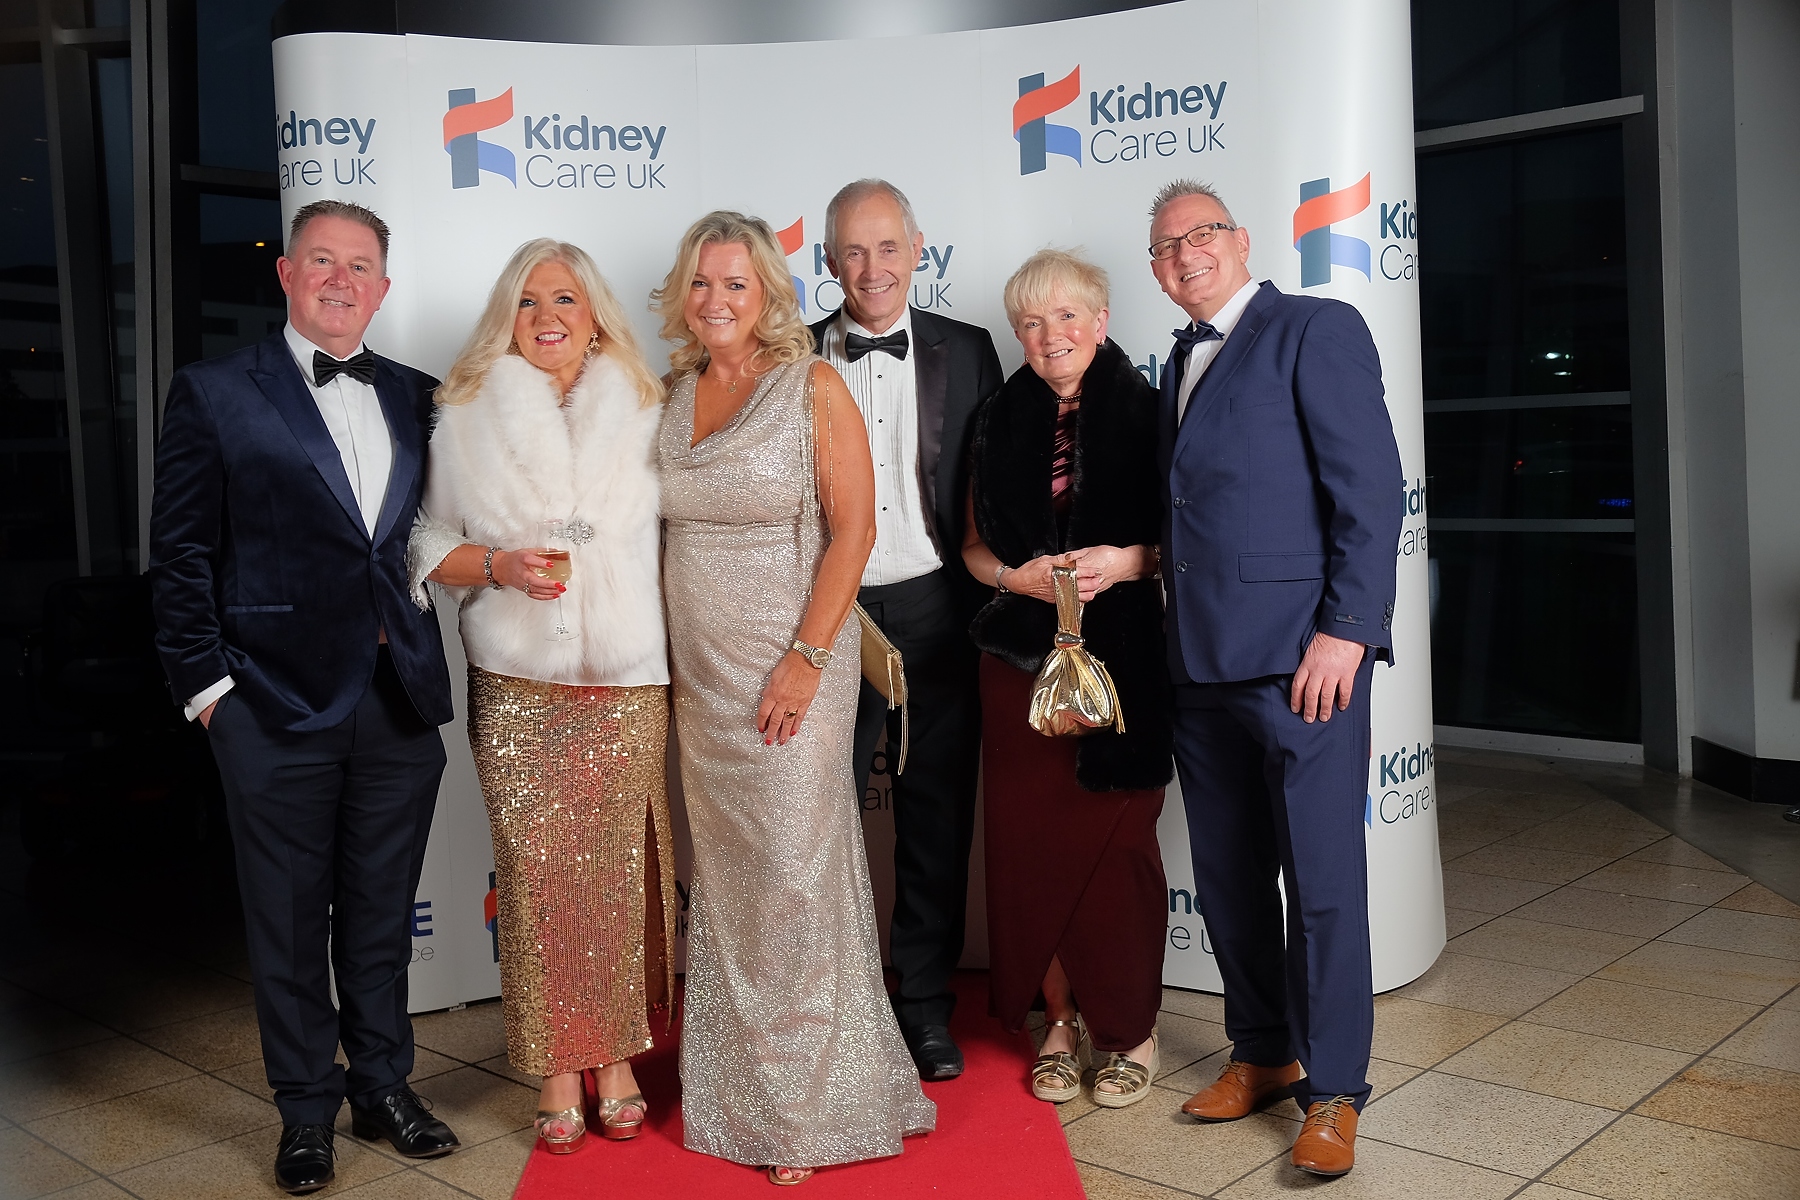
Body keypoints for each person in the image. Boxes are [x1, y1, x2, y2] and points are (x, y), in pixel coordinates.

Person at [148, 200, 460, 1195]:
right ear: (285, 274)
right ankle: (304, 1112)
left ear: (382, 286)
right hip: (268, 705)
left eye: (359, 264)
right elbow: (182, 556)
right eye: (320, 260)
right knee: (286, 923)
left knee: (378, 913)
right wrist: (208, 695)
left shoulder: (421, 397)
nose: (340, 279)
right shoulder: (212, 392)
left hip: (396, 696)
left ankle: (382, 1087)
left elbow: (434, 536)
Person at [654, 211, 935, 1187]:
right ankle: (738, 1097)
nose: (718, 300)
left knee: (790, 880)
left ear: (771, 291)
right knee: (729, 891)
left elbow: (853, 530)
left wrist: (807, 658)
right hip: (699, 684)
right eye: (702, 284)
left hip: (792, 678)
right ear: (681, 295)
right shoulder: (669, 393)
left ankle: (810, 1112)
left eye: (737, 283)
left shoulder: (812, 385)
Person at [1149, 180, 1403, 1177]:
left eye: (1201, 235)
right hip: (1201, 667)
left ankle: (1335, 1090)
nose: (1184, 255)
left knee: (1327, 883)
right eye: (1165, 247)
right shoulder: (1174, 359)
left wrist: (1347, 631)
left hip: (1306, 665)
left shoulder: (1315, 328)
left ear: (1243, 241)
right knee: (1231, 883)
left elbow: (1369, 492)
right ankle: (1262, 1051)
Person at [405, 239, 676, 1153]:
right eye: (528, 303)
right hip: (517, 682)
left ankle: (615, 1059)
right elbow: (423, 541)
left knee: (615, 874)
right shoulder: (464, 415)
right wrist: (498, 565)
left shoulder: (650, 407)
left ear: (594, 310)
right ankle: (558, 1062)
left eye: (565, 298)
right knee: (535, 874)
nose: (548, 316)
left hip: (628, 679)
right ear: (506, 320)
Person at [960, 249, 1172, 1109]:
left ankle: (1129, 1030)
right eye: (1034, 323)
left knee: (1119, 851)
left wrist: (1125, 561)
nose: (1052, 337)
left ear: (1103, 321)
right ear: (1019, 333)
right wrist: (1012, 578)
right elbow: (972, 546)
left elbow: (1187, 542)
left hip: (1125, 664)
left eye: (1069, 317)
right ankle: (1059, 1023)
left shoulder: (1156, 413)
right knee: (1029, 854)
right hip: (1018, 668)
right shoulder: (994, 418)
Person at [809, 179, 1003, 1081]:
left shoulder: (970, 351)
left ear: (917, 250)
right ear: (827, 258)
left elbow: (990, 492)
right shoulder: (790, 356)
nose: (872, 269)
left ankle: (925, 1010)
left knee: (934, 819)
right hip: (828, 615)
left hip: (934, 609)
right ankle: (839, 1013)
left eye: (888, 248)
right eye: (853, 251)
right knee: (819, 823)